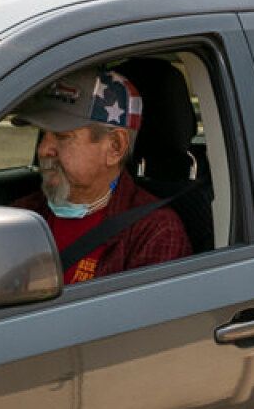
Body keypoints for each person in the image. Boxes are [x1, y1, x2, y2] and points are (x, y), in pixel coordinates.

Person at [11, 66, 191, 284]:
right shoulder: (22, 216)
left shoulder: (154, 232)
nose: (43, 149)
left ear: (115, 147)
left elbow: (142, 317)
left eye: (62, 136)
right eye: (42, 135)